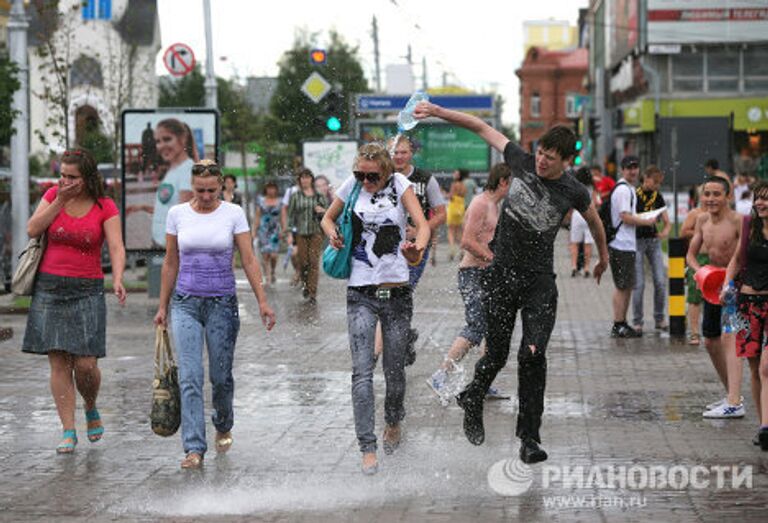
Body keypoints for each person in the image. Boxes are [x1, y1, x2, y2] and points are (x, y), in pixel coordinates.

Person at [413, 102, 609, 464]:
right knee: (497, 354)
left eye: (550, 158)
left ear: (566, 160)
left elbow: (594, 220)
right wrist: (438, 111)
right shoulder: (520, 160)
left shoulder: (573, 190)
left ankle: (529, 439)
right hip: (501, 277)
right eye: (541, 154)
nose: (541, 161)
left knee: (532, 355)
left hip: (539, 283)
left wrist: (603, 257)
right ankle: (473, 396)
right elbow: (479, 126)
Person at [153, 159, 276, 469]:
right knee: (190, 378)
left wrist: (263, 301)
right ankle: (194, 448)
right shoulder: (177, 214)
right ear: (191, 187)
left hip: (222, 303)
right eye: (199, 190)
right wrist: (162, 306)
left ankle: (223, 421)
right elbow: (170, 262)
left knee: (220, 378)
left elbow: (248, 259)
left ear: (221, 186)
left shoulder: (233, 214)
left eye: (211, 190)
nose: (205, 196)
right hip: (185, 303)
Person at [320, 142, 430, 475]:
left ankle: (393, 420)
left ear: (386, 172)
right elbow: (327, 218)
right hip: (360, 292)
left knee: (395, 373)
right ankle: (367, 447)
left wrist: (417, 249)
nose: (365, 181)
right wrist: (332, 233)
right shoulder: (351, 186)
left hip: (396, 293)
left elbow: (422, 225)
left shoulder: (401, 186)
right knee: (362, 371)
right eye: (360, 175)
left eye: (372, 176)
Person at [22, 149, 127, 454]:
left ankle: (90, 405)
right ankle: (68, 430)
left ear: (88, 178)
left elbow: (117, 247)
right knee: (58, 362)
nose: (65, 181)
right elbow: (32, 229)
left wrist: (118, 278)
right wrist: (59, 201)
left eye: (72, 177)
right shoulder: (54, 195)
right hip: (50, 286)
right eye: (62, 175)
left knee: (85, 363)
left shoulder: (104, 205)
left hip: (87, 288)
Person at [427, 163, 512, 403]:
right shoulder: (480, 203)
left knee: (492, 330)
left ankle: (483, 383)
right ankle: (440, 375)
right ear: (503, 182)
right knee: (476, 327)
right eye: (512, 182)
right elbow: (466, 241)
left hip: (487, 275)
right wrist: (494, 260)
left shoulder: (494, 205)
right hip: (472, 273)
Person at [686, 176, 744, 419]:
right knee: (711, 342)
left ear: (728, 196)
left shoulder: (739, 221)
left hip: (736, 286)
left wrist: (729, 283)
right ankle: (732, 394)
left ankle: (734, 401)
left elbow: (742, 256)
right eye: (707, 194)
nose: (711, 199)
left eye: (716, 194)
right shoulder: (701, 220)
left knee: (730, 338)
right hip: (712, 285)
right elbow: (691, 255)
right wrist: (701, 273)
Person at [388, 135, 446, 364]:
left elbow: (441, 214)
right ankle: (404, 334)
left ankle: (401, 339)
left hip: (416, 247)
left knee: (403, 289)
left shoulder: (424, 179)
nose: (398, 157)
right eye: (394, 153)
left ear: (411, 153)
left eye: (403, 152)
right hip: (387, 246)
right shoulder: (383, 178)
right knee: (392, 293)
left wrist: (421, 229)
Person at [723, 180, 768, 450]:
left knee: (766, 366)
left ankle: (766, 426)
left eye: (766, 198)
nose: (760, 203)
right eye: (757, 198)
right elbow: (738, 260)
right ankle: (762, 424)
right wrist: (728, 284)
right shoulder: (749, 226)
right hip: (747, 304)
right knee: (753, 367)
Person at [608, 156, 657, 338]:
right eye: (629, 168)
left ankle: (622, 323)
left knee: (626, 286)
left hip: (626, 244)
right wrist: (646, 221)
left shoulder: (629, 189)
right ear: (622, 170)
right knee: (622, 286)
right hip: (620, 244)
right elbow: (625, 216)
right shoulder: (623, 190)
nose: (633, 171)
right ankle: (618, 324)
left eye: (635, 168)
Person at [632, 166, 671, 333]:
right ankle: (637, 321)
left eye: (659, 183)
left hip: (653, 241)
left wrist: (664, 232)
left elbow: (667, 221)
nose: (657, 186)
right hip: (636, 241)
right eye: (655, 182)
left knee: (660, 282)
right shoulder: (634, 195)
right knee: (639, 284)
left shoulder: (658, 197)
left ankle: (659, 318)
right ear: (645, 178)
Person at [152, 119, 195, 248]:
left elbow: (183, 218)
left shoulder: (188, 170)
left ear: (182, 139)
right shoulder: (173, 168)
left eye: (167, 139)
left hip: (168, 247)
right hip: (159, 242)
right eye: (158, 141)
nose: (161, 145)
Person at [286, 168, 327, 303]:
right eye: (302, 178)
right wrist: (289, 234)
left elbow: (328, 214)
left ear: (311, 179)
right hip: (301, 233)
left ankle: (312, 292)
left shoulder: (319, 196)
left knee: (314, 262)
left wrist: (322, 210)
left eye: (307, 177)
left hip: (316, 233)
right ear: (299, 180)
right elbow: (290, 217)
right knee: (303, 263)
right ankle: (305, 285)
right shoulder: (295, 196)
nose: (305, 180)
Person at [680, 198, 706, 345]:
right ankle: (695, 332)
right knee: (695, 296)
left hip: (717, 258)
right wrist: (701, 231)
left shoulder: (728, 217)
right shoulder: (696, 214)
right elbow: (684, 232)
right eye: (706, 194)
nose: (710, 198)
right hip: (699, 257)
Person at [569, 167, 599, 278]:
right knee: (588, 243)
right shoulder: (592, 187)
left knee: (575, 243)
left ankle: (574, 267)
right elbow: (596, 202)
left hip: (577, 215)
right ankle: (586, 268)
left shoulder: (575, 187)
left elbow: (571, 202)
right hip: (589, 215)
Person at [253, 181, 282, 286]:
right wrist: (254, 231)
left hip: (275, 230)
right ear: (266, 189)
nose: (271, 190)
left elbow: (283, 217)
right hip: (263, 230)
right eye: (269, 188)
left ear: (276, 189)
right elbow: (257, 216)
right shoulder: (261, 201)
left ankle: (273, 270)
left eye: (273, 188)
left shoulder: (280, 201)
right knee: (265, 255)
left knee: (274, 255)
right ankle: (267, 277)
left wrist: (284, 230)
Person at [446, 169, 467, 261]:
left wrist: (448, 195)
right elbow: (464, 195)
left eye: (455, 173)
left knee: (451, 230)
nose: (454, 174)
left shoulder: (454, 184)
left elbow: (450, 196)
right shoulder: (463, 185)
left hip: (453, 206)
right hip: (461, 207)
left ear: (459, 175)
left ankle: (452, 250)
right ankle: (462, 251)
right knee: (459, 231)